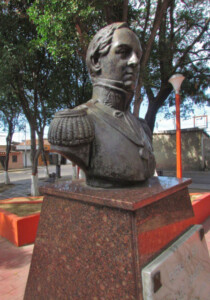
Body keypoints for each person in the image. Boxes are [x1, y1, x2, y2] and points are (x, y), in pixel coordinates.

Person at [48, 22, 156, 188]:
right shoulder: (77, 122)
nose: (135, 62)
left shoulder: (141, 127)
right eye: (123, 52)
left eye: (138, 56)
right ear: (96, 61)